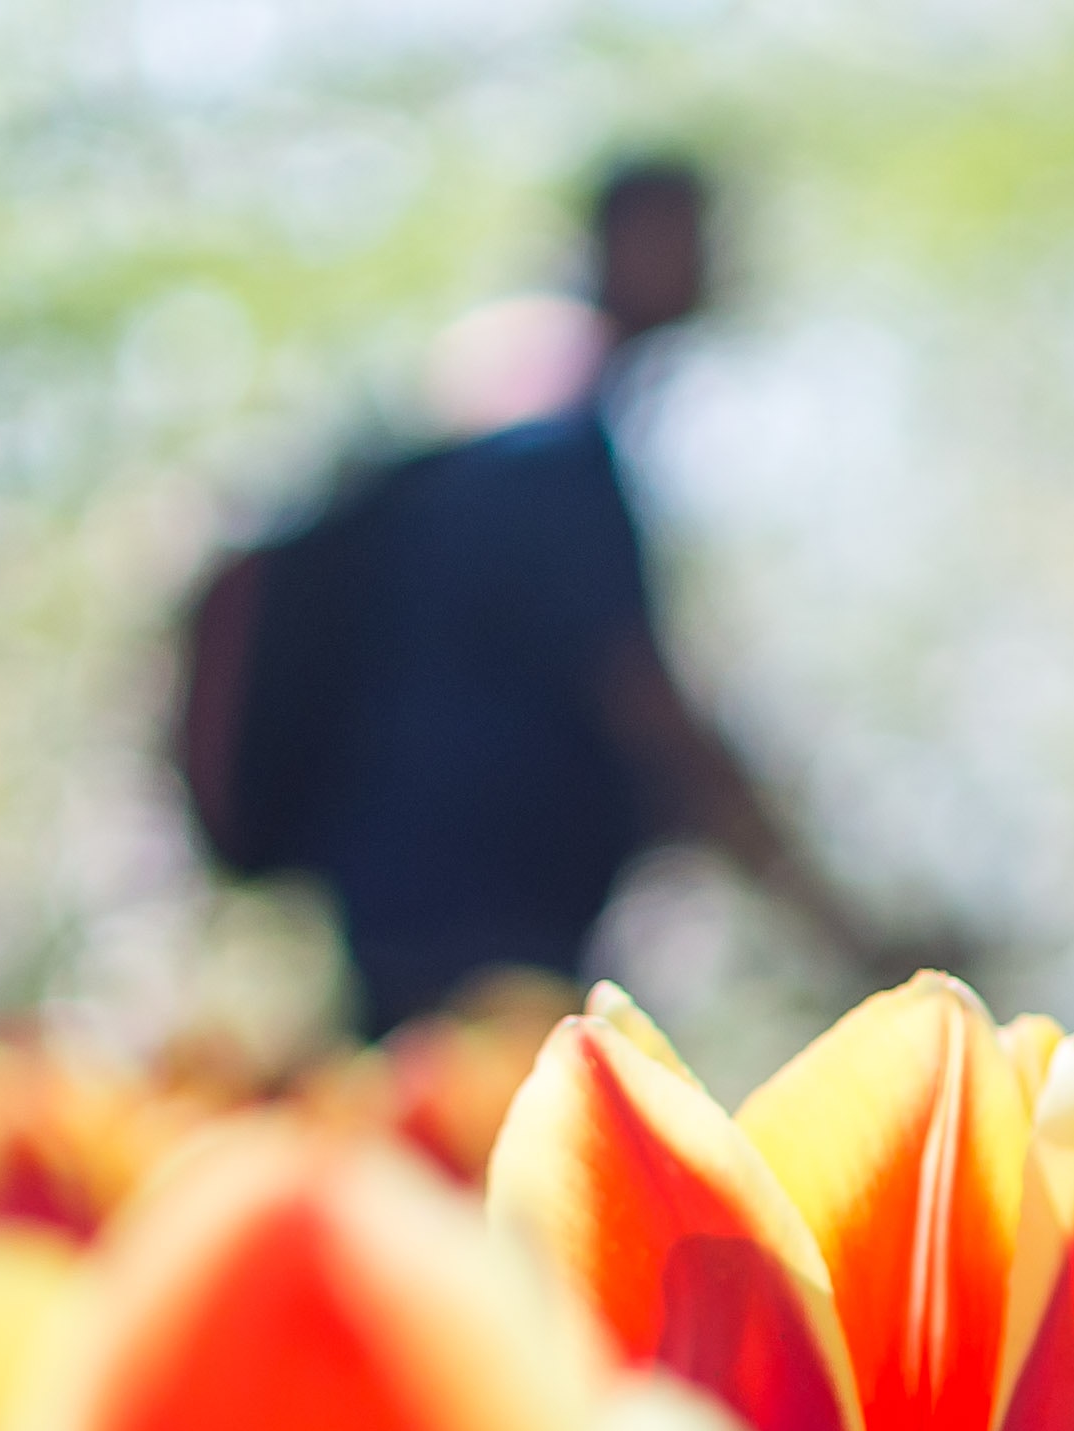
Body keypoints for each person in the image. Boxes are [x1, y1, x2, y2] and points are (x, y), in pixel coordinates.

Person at [293, 156, 913, 1029]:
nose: (719, 264)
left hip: (425, 904)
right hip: (478, 926)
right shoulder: (552, 456)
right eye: (696, 235)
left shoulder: (527, 432)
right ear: (629, 241)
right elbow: (647, 707)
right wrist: (845, 933)